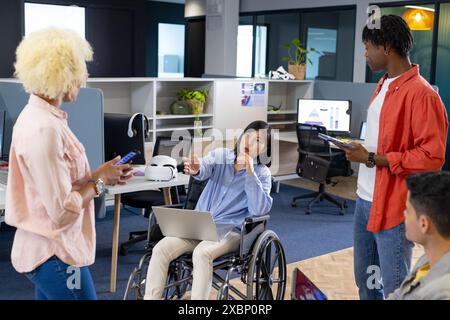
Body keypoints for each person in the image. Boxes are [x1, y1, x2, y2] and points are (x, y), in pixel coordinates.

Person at [5, 28, 131, 300]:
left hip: (51, 250)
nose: (83, 79)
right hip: (56, 254)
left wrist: (100, 173)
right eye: (79, 71)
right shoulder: (44, 129)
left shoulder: (43, 118)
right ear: (61, 75)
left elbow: (59, 184)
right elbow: (61, 211)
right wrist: (99, 184)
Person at [345, 15, 448, 299]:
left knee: (395, 287)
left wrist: (373, 158)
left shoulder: (423, 95)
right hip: (364, 200)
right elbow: (383, 139)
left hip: (394, 207)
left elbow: (431, 157)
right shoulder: (383, 85)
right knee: (366, 282)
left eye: (368, 46)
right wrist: (362, 150)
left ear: (386, 46)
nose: (365, 53)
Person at [144, 121, 273, 300]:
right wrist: (197, 170)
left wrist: (250, 172)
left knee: (202, 253)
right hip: (199, 226)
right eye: (248, 135)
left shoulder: (263, 174)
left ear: (264, 149)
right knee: (161, 249)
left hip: (230, 231)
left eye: (258, 140)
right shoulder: (221, 156)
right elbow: (204, 168)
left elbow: (259, 210)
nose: (250, 142)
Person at [388, 172, 450, 300]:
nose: (404, 214)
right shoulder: (427, 260)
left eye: (408, 210)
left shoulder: (442, 293)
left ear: (424, 224)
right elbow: (398, 295)